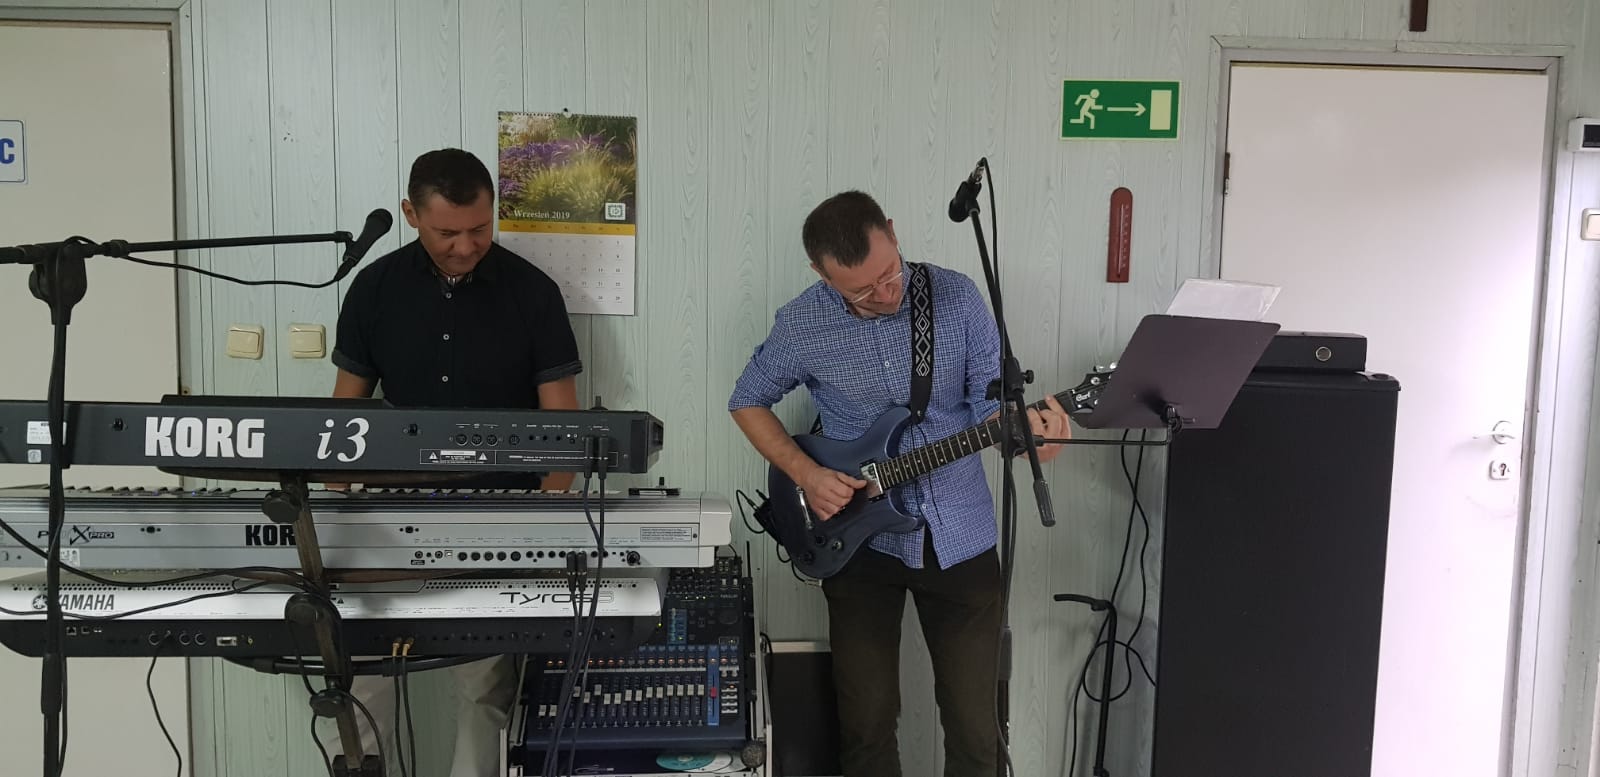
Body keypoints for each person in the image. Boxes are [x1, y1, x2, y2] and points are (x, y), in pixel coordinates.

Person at [728, 190, 1071, 777]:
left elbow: (991, 406)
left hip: (959, 534)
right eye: (861, 291)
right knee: (865, 727)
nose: (885, 294)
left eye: (889, 274)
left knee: (976, 730)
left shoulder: (956, 298)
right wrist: (807, 474)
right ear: (821, 275)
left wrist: (1031, 436)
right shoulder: (803, 322)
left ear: (891, 230)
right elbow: (747, 400)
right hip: (855, 544)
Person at [329, 147, 582, 777]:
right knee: (363, 682)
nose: (466, 246)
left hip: (498, 517)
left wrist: (542, 527)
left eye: (479, 228)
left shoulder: (533, 292)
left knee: (484, 688)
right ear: (411, 213)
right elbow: (341, 418)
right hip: (386, 519)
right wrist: (335, 518)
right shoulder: (374, 288)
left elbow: (564, 430)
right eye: (447, 232)